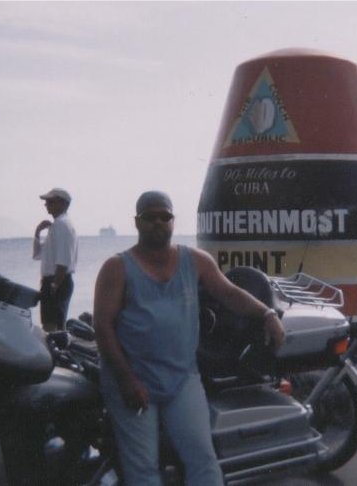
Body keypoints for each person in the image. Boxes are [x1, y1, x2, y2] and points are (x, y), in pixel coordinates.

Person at [94, 191, 285, 486]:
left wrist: (267, 314)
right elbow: (102, 326)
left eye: (165, 216)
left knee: (203, 459)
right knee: (143, 469)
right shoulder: (116, 268)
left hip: (181, 377)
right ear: (137, 222)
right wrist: (126, 380)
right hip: (133, 378)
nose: (158, 222)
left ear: (173, 221)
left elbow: (229, 293)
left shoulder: (195, 260)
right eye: (150, 217)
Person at [32, 187, 78, 332]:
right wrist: (38, 232)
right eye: (47, 202)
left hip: (57, 280)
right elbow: (39, 255)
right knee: (55, 326)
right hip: (57, 280)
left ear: (63, 204)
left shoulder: (61, 225)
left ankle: (58, 347)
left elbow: (63, 261)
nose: (46, 204)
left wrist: (54, 285)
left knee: (51, 328)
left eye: (50, 202)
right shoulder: (59, 224)